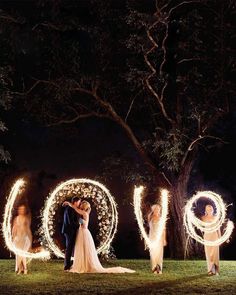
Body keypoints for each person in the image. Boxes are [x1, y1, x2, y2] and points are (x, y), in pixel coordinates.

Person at [62, 200, 135, 274]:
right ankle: (82, 263)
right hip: (81, 232)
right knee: (81, 248)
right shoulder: (85, 213)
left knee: (84, 249)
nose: (80, 205)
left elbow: (76, 210)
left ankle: (85, 265)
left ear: (83, 207)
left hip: (83, 233)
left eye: (81, 205)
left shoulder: (84, 213)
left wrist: (69, 203)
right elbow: (80, 219)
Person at [61, 196, 81, 271]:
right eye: (79, 202)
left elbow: (77, 219)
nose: (79, 204)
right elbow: (71, 222)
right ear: (75, 202)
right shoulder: (70, 209)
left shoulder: (70, 208)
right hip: (69, 231)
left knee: (70, 247)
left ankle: (69, 264)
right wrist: (79, 225)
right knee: (69, 248)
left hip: (69, 230)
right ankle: (67, 265)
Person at [12, 204, 32, 274]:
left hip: (24, 238)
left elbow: (28, 229)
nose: (22, 210)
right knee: (18, 254)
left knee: (23, 254)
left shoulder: (26, 219)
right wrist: (13, 237)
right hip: (18, 239)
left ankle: (25, 269)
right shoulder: (16, 218)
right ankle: (20, 269)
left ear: (24, 210)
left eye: (23, 209)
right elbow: (14, 228)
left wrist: (30, 238)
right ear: (18, 210)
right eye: (20, 209)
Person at [201, 204, 221, 275]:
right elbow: (201, 227)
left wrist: (220, 238)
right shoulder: (203, 218)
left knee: (215, 253)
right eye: (208, 209)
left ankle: (216, 269)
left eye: (211, 209)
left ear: (213, 209)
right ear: (206, 210)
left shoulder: (216, 217)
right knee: (208, 253)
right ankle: (210, 270)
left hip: (215, 236)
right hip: (207, 236)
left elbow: (218, 228)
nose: (209, 210)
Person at [148, 204, 167, 275]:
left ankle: (159, 268)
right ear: (153, 210)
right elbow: (150, 228)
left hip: (159, 238)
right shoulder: (150, 217)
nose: (157, 210)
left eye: (158, 209)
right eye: (155, 209)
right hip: (152, 237)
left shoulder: (161, 218)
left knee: (159, 253)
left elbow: (164, 229)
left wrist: (164, 239)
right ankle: (154, 268)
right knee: (152, 253)